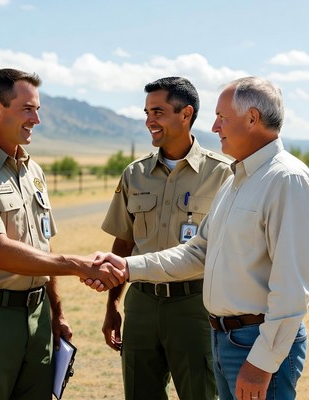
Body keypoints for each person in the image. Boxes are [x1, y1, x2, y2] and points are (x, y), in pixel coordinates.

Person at [96, 77, 309, 400]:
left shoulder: (286, 180)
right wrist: (126, 266)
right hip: (225, 339)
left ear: (252, 119)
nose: (214, 126)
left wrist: (262, 363)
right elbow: (197, 252)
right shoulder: (237, 180)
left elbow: (292, 289)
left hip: (255, 344)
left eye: (222, 117)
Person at [0, 68, 124, 400]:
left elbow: (42, 244)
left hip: (37, 317)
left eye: (37, 109)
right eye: (27, 109)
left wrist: (56, 311)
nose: (36, 119)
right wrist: (78, 265)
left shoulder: (32, 171)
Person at [100, 77, 232, 400]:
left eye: (157, 112)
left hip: (195, 306)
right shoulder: (134, 174)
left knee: (201, 393)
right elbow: (123, 243)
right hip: (142, 305)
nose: (149, 122)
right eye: (146, 113)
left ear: (185, 114)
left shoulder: (223, 174)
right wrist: (112, 305)